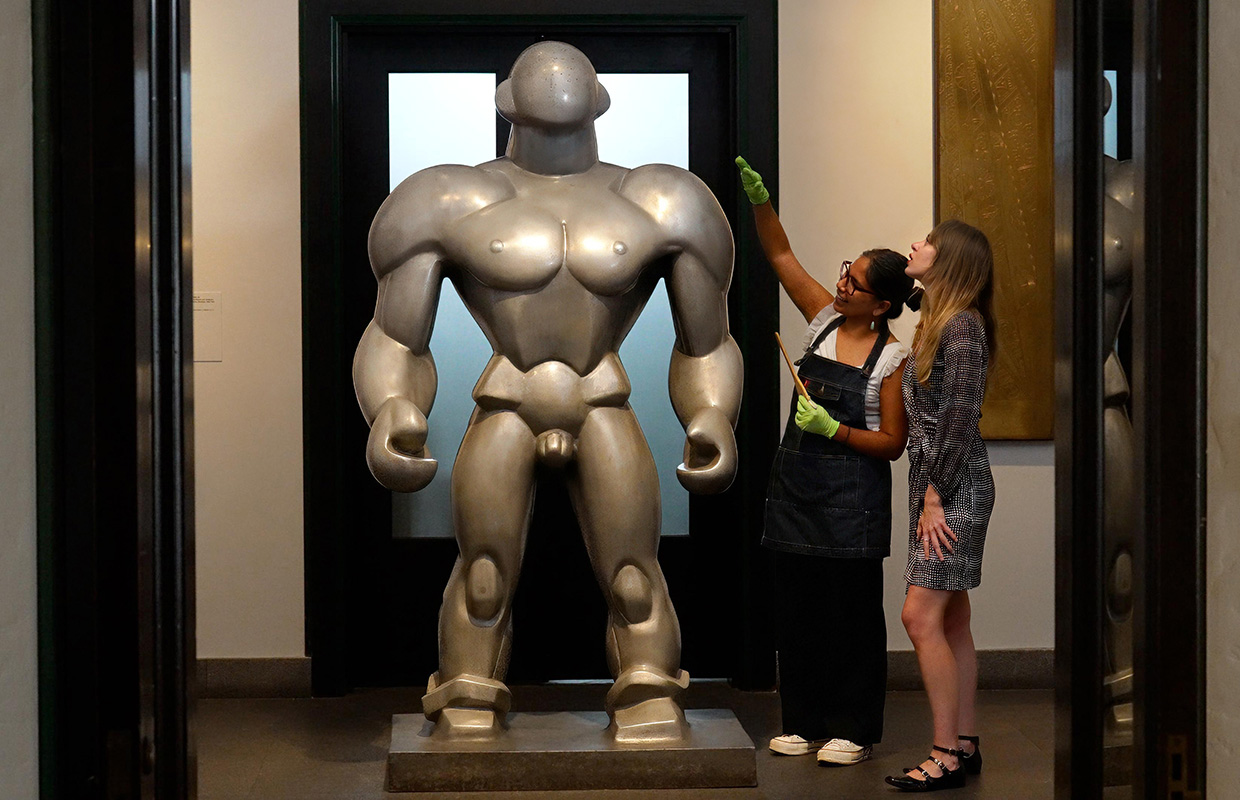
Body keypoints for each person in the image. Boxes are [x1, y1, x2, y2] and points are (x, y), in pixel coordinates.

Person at [354, 41, 743, 743]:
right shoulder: (445, 198)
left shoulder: (661, 199)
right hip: (508, 398)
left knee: (632, 576)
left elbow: (707, 342)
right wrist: (390, 407)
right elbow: (395, 338)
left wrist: (712, 411)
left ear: (596, 109)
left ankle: (649, 691)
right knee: (483, 577)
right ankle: (468, 696)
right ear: (507, 109)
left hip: (600, 399)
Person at [735, 157, 915, 766]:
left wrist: (835, 428)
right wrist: (762, 203)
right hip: (796, 497)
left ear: (883, 305)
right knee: (799, 616)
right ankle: (803, 722)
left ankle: (855, 729)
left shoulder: (892, 360)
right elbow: (782, 258)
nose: (842, 286)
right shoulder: (819, 323)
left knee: (852, 622)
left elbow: (893, 443)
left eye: (856, 284)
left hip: (853, 508)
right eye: (845, 273)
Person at [885, 219, 996, 792]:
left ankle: (944, 753)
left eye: (926, 241)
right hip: (935, 486)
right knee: (951, 619)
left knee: (919, 615)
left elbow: (958, 421)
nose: (914, 245)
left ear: (949, 260)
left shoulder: (963, 328)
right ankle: (966, 742)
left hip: (953, 488)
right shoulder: (937, 325)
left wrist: (935, 494)